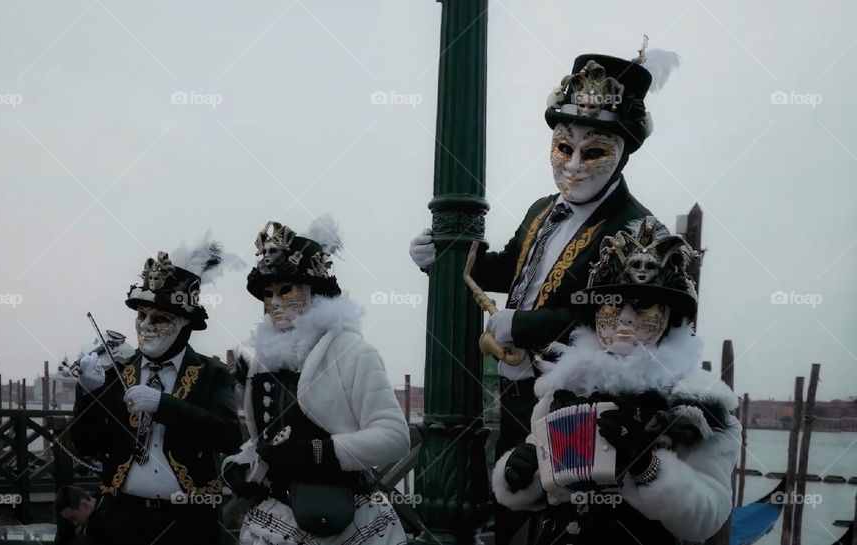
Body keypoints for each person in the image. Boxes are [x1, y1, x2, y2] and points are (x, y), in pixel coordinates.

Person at [409, 39, 679, 545]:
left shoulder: (634, 228)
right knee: (512, 496)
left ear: (622, 155)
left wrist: (522, 325)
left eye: (593, 151)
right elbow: (511, 268)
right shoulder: (541, 208)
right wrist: (441, 261)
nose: (573, 165)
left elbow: (609, 315)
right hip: (517, 387)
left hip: (577, 399)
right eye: (563, 147)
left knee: (569, 508)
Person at [492, 217, 740, 544]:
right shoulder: (565, 388)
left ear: (671, 316)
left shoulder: (697, 407)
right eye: (611, 302)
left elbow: (707, 517)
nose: (624, 316)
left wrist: (646, 466)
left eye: (643, 304)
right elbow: (548, 490)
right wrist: (521, 476)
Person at [222, 216, 411, 545]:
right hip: (273, 518)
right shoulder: (263, 362)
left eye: (286, 289)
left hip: (346, 516)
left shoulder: (353, 351)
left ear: (315, 291)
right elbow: (269, 439)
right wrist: (241, 463)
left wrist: (319, 452)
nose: (275, 301)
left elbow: (395, 437)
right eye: (267, 294)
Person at [70, 234, 242, 545]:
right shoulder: (118, 370)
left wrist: (164, 406)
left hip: (188, 524)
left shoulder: (212, 373)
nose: (146, 325)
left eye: (160, 317)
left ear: (185, 324)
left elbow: (229, 437)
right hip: (122, 519)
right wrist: (87, 394)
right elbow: (85, 444)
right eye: (141, 315)